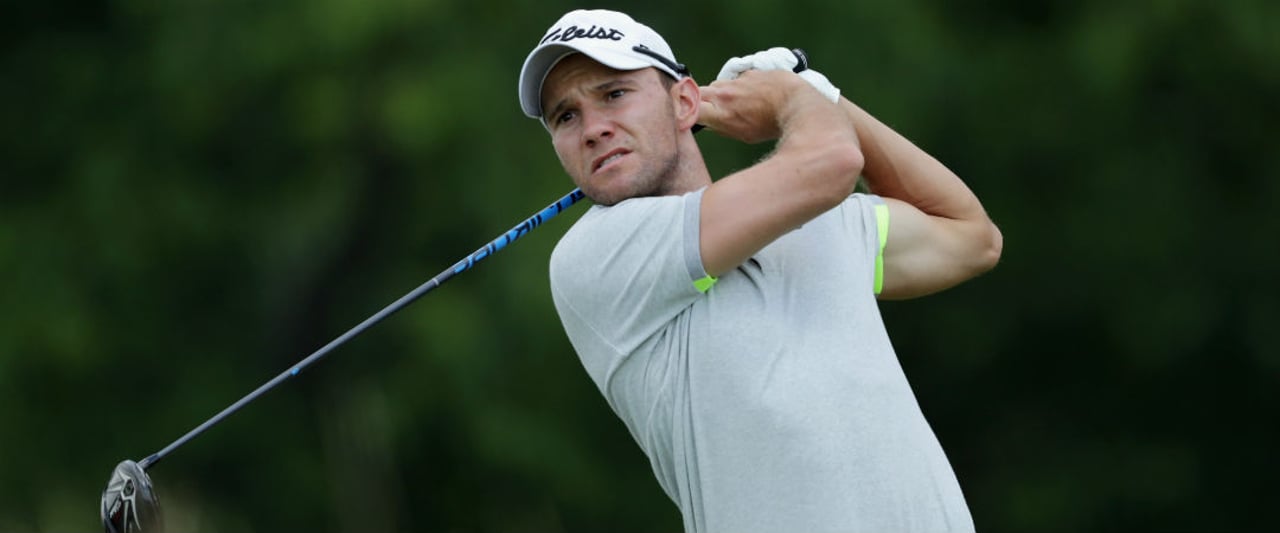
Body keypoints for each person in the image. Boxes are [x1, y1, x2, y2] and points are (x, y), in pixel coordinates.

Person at [518, 9, 1002, 533]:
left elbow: (971, 238)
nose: (593, 129)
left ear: (685, 102)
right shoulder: (595, 254)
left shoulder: (824, 220)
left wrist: (826, 98)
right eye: (565, 117)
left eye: (614, 94)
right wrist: (793, 98)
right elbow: (834, 163)